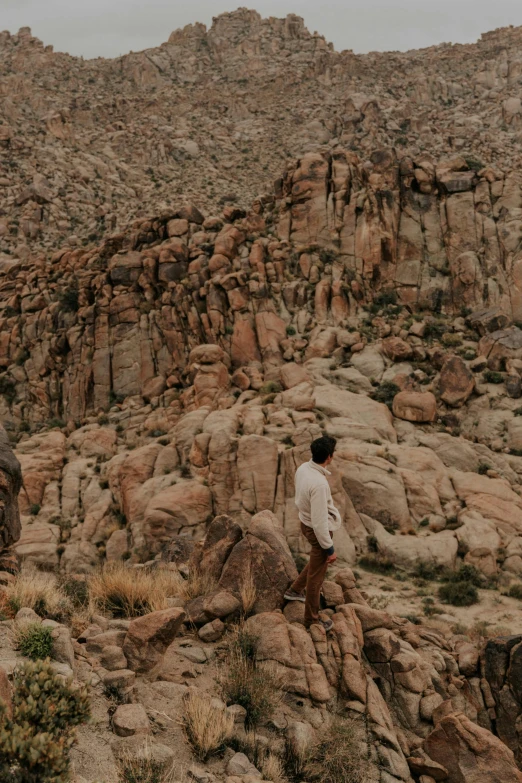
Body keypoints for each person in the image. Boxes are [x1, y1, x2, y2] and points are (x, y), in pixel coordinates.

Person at [284, 436, 341, 632]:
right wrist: (330, 548)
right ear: (329, 457)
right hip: (316, 530)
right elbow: (319, 523)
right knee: (316, 578)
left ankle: (294, 590)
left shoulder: (303, 468)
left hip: (304, 521)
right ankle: (311, 620)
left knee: (316, 563)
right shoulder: (319, 484)